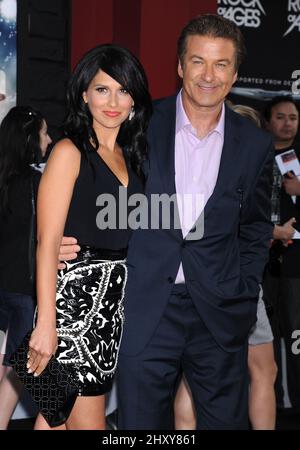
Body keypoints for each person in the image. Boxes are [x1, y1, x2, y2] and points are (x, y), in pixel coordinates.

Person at [59, 14, 273, 429]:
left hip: (219, 311)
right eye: (198, 61)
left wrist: (244, 291)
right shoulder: (138, 125)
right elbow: (91, 184)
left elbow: (255, 226)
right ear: (179, 67)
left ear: (234, 73)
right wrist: (62, 243)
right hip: (145, 307)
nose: (208, 75)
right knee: (140, 426)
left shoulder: (255, 145)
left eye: (221, 64)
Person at [26, 44, 152, 430]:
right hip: (70, 307)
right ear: (84, 94)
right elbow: (47, 242)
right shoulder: (69, 151)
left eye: (123, 90)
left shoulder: (135, 157)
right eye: (102, 89)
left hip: (110, 309)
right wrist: (46, 323)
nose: (113, 101)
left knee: (53, 423)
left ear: (135, 98)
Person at [174, 104, 277, 430]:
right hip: (230, 282)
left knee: (193, 379)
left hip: (207, 282)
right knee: (262, 370)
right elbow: (257, 229)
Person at [0, 106, 52, 429]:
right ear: (31, 139)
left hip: (3, 288)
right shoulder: (39, 184)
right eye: (45, 133)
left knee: (9, 369)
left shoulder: (4, 179)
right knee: (23, 375)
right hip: (24, 292)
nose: (49, 139)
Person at [263, 97, 300, 411]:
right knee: (265, 342)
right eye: (281, 116)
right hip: (260, 264)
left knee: (297, 335)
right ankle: (267, 405)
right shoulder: (254, 156)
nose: (288, 123)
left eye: (293, 117)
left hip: (296, 264)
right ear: (267, 120)